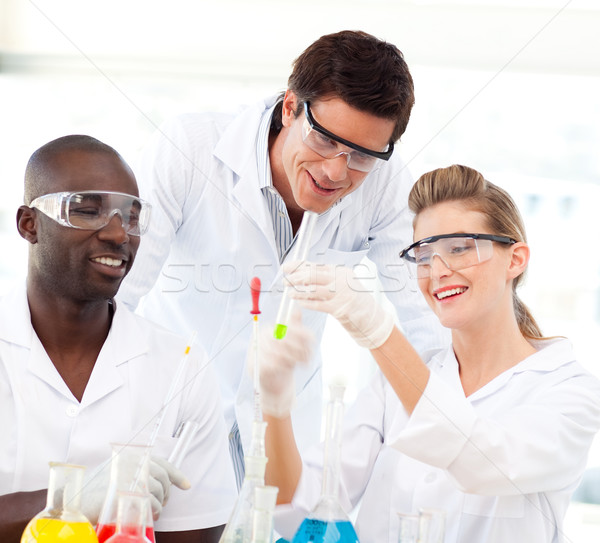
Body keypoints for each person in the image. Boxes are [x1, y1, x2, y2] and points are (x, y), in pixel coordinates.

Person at [118, 30, 449, 484]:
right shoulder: (189, 148)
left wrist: (458, 435)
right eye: (325, 140)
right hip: (168, 424)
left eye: (362, 155)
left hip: (285, 444)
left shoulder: (384, 185)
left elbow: (429, 327)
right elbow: (116, 302)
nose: (337, 171)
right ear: (291, 107)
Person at [256, 165, 600, 543]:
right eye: (422, 255)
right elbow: (298, 514)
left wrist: (378, 330)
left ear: (515, 259)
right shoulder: (394, 387)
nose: (437, 271)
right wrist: (275, 407)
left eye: (458, 248)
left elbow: (483, 462)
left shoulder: (569, 391)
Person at [0, 135, 236, 543]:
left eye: (130, 217)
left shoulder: (181, 366)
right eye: (88, 210)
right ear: (29, 224)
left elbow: (196, 532)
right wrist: (70, 500)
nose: (117, 234)